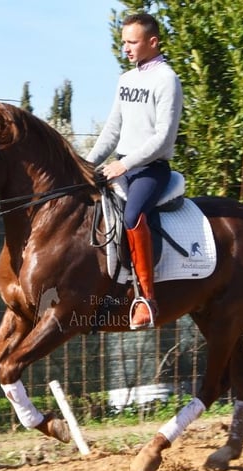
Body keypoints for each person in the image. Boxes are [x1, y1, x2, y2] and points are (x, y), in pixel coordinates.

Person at [87, 12, 183, 330]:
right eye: (124, 41)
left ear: (152, 42)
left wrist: (124, 164)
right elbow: (112, 130)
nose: (126, 48)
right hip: (121, 166)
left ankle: (146, 299)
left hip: (151, 170)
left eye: (132, 42)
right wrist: (86, 165)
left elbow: (163, 138)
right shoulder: (126, 80)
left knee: (132, 216)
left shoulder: (167, 80)